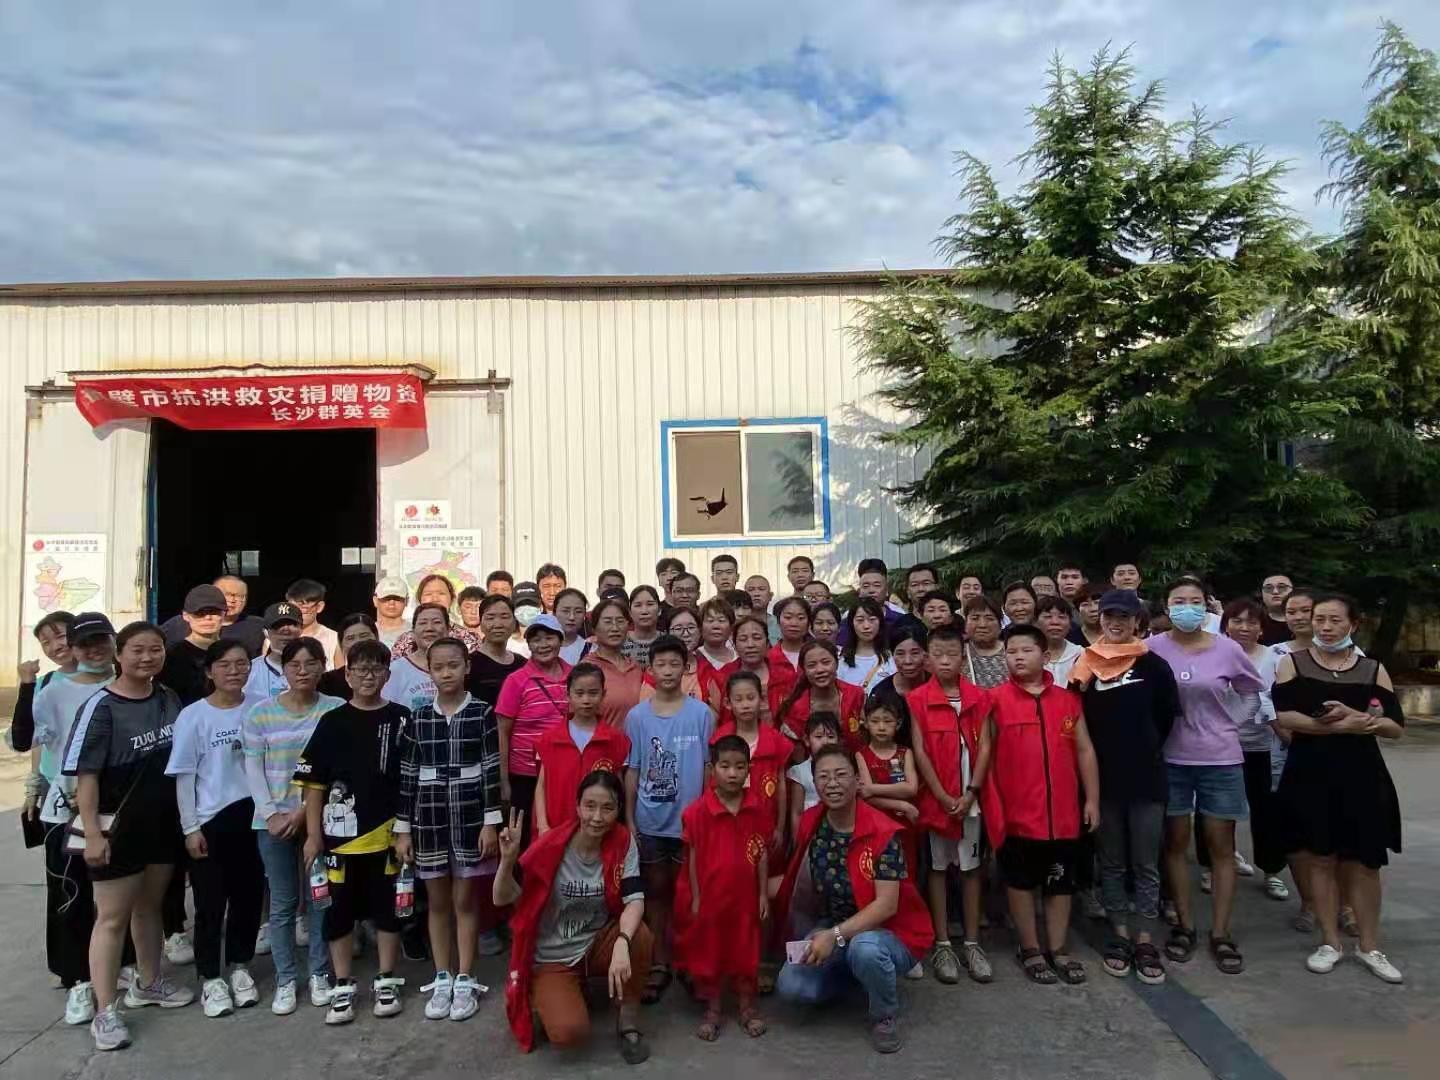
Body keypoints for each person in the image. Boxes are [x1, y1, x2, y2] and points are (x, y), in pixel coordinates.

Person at [63, 621, 192, 1051]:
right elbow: (86, 777)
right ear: (119, 654)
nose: (147, 657)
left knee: (149, 908)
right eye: (137, 650)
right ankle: (105, 1011)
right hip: (116, 828)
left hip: (162, 825)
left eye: (155, 649)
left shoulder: (167, 697)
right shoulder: (100, 707)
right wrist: (93, 834)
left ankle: (149, 982)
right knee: (112, 917)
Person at [1272, 594, 1405, 983]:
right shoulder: (1292, 663)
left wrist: (1361, 719)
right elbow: (1285, 716)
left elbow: (1394, 726)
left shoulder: (1372, 668)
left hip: (1362, 774)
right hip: (1310, 773)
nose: (1325, 627)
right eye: (1319, 619)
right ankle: (1330, 941)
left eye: (1334, 620)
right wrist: (1341, 725)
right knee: (1320, 857)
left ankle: (1370, 945)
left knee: (1365, 862)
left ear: (1353, 624)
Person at [773, 744, 935, 1055]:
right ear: (814, 783)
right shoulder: (812, 822)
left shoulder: (882, 831)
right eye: (823, 777)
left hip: (889, 932)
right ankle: (858, 977)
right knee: (792, 987)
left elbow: (886, 905)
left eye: (840, 775)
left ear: (857, 780)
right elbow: (799, 883)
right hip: (835, 924)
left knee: (866, 949)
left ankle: (884, 1015)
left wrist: (833, 936)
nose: (832, 784)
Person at [1147, 577, 1264, 976]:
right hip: (1170, 758)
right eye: (1179, 600)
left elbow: (1251, 692)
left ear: (1207, 607)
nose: (1187, 607)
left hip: (1220, 759)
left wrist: (1231, 724)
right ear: (1167, 606)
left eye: (1195, 601)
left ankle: (1221, 932)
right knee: (1175, 844)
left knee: (1220, 847)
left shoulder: (1228, 649)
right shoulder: (1151, 648)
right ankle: (1184, 925)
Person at [495, 774, 651, 1063]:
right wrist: (506, 861)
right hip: (553, 956)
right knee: (570, 1033)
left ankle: (627, 1020)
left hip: (596, 941)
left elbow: (634, 899)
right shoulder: (551, 847)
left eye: (607, 808)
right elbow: (502, 898)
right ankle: (546, 994)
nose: (597, 817)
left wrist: (622, 941)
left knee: (639, 935)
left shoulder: (622, 841)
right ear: (577, 807)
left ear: (618, 810)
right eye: (590, 806)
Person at [295, 638, 409, 1023]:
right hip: (338, 841)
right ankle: (343, 983)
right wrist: (313, 836)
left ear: (387, 675)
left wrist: (406, 831)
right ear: (347, 675)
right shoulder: (332, 722)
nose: (368, 676)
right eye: (360, 669)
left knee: (389, 910)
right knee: (338, 913)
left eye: (376, 669)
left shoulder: (402, 718)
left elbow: (410, 781)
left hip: (390, 835)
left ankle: (387, 978)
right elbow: (314, 785)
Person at [1071, 589, 1178, 985]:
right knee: (1111, 862)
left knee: (1146, 862)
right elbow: (1076, 721)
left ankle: (1145, 937)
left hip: (1146, 777)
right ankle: (1118, 933)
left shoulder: (1154, 665)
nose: (1115, 623)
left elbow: (1166, 718)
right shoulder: (1085, 664)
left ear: (1137, 621)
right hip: (1102, 780)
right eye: (1109, 615)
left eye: (1124, 617)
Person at [984, 624, 1100, 986]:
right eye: (1011, 652)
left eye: (1026, 650)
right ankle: (1030, 947)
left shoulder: (1067, 700)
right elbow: (985, 757)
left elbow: (1084, 750)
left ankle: (1059, 948)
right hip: (1017, 815)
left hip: (1063, 814)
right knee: (1019, 883)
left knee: (1060, 882)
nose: (1018, 657)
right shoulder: (994, 701)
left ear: (1045, 656)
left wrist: (1092, 799)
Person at [395, 637, 502, 1022]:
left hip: (470, 818)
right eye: (438, 667)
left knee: (465, 901)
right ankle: (442, 976)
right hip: (429, 819)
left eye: (453, 665)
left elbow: (491, 769)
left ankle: (466, 977)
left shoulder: (482, 713)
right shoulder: (419, 717)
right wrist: (403, 830)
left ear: (466, 667)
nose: (446, 673)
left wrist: (491, 823)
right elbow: (407, 775)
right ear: (429, 671)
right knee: (438, 902)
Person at [242, 637, 342, 1014]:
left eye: (311, 663)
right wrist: (271, 814)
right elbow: (253, 767)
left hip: (319, 819)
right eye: (294, 665)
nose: (303, 671)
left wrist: (303, 812)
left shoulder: (335, 709)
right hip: (271, 823)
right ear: (283, 670)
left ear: (322, 667)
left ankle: (319, 973)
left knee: (319, 898)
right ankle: (286, 979)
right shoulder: (260, 713)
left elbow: (333, 768)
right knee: (283, 903)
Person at [166, 640, 264, 1018]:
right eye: (224, 665)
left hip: (255, 816)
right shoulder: (193, 716)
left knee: (248, 897)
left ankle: (240, 967)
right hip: (210, 820)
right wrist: (190, 828)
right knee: (210, 903)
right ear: (209, 671)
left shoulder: (260, 707)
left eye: (241, 664)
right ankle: (210, 978)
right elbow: (184, 776)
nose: (234, 671)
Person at [30, 612, 112, 1025]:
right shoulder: (51, 690)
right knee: (71, 893)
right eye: (85, 644)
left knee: (116, 897)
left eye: (102, 641)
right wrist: (35, 785)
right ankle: (77, 978)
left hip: (118, 808)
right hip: (66, 808)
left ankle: (120, 968)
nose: (94, 650)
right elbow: (33, 741)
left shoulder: (129, 682)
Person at [623, 634, 715, 1003]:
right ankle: (659, 962)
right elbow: (632, 770)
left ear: (685, 667)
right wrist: (630, 819)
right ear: (650, 668)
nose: (667, 671)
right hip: (650, 822)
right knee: (656, 894)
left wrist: (706, 815)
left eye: (674, 664)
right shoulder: (637, 717)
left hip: (690, 824)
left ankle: (690, 962)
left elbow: (708, 768)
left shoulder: (701, 714)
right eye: (660, 664)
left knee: (689, 895)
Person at [907, 625, 993, 985]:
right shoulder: (917, 699)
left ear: (963, 657)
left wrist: (971, 792)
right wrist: (942, 796)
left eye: (952, 654)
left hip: (970, 800)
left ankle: (972, 943)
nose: (945, 661)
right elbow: (919, 750)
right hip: (936, 800)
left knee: (971, 869)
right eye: (938, 655)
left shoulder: (980, 697)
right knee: (938, 870)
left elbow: (985, 746)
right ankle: (942, 943)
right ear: (927, 659)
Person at [674, 736, 770, 1041]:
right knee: (710, 951)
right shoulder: (697, 812)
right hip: (711, 897)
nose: (732, 773)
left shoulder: (757, 808)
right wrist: (696, 896)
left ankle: (747, 1007)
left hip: (745, 897)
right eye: (725, 766)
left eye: (739, 767)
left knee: (746, 950)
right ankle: (713, 1009)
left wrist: (763, 893)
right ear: (712, 769)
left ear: (749, 769)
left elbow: (761, 851)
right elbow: (691, 857)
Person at [1221, 599, 1290, 902]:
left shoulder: (1276, 658)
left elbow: (1284, 699)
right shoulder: (1214, 653)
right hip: (1221, 747)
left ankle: (1272, 871)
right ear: (1225, 626)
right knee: (1219, 812)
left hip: (1264, 747)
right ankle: (1216, 864)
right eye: (1237, 621)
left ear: (1262, 628)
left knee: (1266, 812)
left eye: (1252, 622)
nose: (1244, 627)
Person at [496, 614, 572, 838]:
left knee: (560, 834)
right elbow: (502, 732)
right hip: (524, 775)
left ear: (560, 640)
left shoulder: (575, 675)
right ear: (528, 644)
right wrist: (504, 781)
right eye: (536, 640)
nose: (543, 645)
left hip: (563, 772)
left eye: (549, 638)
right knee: (524, 838)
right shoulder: (516, 680)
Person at [534, 663, 631, 836]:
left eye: (593, 693)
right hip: (556, 826)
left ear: (603, 694)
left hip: (598, 828)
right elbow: (541, 785)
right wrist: (542, 824)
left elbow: (619, 786)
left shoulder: (615, 739)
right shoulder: (549, 739)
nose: (586, 700)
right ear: (568, 695)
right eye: (579, 693)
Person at [712, 671, 790, 853]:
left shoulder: (776, 741)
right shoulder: (719, 739)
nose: (745, 705)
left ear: (761, 700)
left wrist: (780, 827)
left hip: (766, 821)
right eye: (738, 700)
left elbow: (781, 786)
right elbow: (712, 784)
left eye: (751, 698)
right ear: (728, 703)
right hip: (729, 821)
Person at [854, 695, 920, 892]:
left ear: (898, 723)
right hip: (875, 824)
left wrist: (873, 788)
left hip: (905, 825)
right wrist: (902, 804)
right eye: (875, 721)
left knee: (908, 872)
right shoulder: (861, 755)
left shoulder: (905, 753)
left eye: (887, 721)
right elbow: (866, 798)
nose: (881, 727)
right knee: (878, 872)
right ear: (865, 723)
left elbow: (911, 788)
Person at [774, 640, 866, 753]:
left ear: (837, 664)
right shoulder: (796, 709)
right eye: (811, 665)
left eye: (826, 662)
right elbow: (796, 756)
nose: (820, 670)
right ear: (804, 670)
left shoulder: (856, 695)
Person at [11, 610, 78, 756]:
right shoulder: (43, 684)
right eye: (46, 643)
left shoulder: (110, 676)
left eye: (61, 636)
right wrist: (27, 685)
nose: (55, 647)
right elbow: (28, 740)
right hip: (53, 769)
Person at [161, 576, 267, 658]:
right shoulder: (177, 625)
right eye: (226, 594)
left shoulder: (258, 626)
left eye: (239, 596)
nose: (232, 600)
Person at [161, 584, 228, 706]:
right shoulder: (173, 656)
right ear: (185, 616)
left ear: (224, 614)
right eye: (199, 613)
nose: (208, 617)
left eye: (215, 612)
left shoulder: (233, 651)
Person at [391, 576, 482, 658]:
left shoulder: (470, 639)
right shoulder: (406, 641)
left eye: (441, 593)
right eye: (428, 594)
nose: (435, 599)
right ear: (419, 599)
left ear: (452, 599)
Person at [382, 604, 447, 713]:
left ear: (448, 629)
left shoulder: (459, 667)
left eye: (437, 622)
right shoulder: (396, 670)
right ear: (412, 632)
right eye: (423, 623)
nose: (429, 628)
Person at [787, 712, 841, 837]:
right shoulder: (800, 771)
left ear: (838, 740)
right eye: (818, 736)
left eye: (831, 736)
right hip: (810, 831)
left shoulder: (844, 769)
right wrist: (798, 841)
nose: (825, 741)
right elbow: (797, 812)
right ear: (807, 740)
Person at [466, 594, 525, 709]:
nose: (498, 624)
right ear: (481, 624)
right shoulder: (469, 664)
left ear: (514, 623)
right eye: (490, 618)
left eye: (504, 617)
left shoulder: (523, 664)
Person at [244, 603, 303, 700]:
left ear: (301, 629)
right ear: (266, 632)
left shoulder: (314, 669)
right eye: (278, 625)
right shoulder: (248, 672)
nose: (286, 630)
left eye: (292, 624)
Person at [837, 597, 896, 693]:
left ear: (880, 622)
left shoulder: (893, 658)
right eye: (860, 620)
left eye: (872, 620)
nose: (866, 626)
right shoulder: (840, 660)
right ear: (851, 623)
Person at [318, 614, 379, 700]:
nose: (358, 642)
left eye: (364, 636)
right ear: (341, 644)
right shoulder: (326, 682)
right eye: (350, 638)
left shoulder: (394, 675)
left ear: (376, 638)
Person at [286, 579, 341, 670]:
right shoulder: (276, 638)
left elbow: (341, 674)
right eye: (293, 607)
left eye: (303, 608)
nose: (297, 612)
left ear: (319, 607)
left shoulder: (333, 639)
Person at [870, 622, 930, 705]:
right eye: (900, 654)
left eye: (915, 653)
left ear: (926, 654)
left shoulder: (940, 686)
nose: (908, 661)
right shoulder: (880, 694)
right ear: (892, 655)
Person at [656, 606, 705, 700]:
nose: (686, 634)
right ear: (667, 633)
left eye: (691, 627)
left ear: (700, 631)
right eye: (678, 629)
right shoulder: (657, 668)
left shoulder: (707, 667)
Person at [766, 597, 811, 695]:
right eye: (788, 617)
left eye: (801, 618)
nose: (794, 623)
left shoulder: (816, 656)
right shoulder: (767, 659)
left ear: (809, 623)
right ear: (778, 621)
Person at [961, 596, 1008, 688]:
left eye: (989, 618)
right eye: (975, 618)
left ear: (1000, 624)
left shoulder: (1011, 651)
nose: (982, 625)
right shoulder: (959, 652)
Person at [1036, 595, 1083, 685]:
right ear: (1036, 622)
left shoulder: (1081, 654)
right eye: (1048, 617)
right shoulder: (1028, 655)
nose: (1055, 622)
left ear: (1070, 623)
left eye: (1061, 617)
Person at [623, 585, 663, 667]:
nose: (644, 611)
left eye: (650, 604)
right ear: (630, 612)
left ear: (659, 610)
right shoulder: (619, 642)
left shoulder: (669, 641)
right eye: (638, 605)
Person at [696, 597, 739, 671]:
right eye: (710, 620)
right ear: (700, 626)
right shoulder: (695, 658)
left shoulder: (740, 658)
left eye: (721, 620)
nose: (716, 626)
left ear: (731, 627)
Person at [554, 587, 592, 665]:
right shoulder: (540, 646)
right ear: (554, 613)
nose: (572, 617)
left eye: (578, 611)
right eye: (565, 611)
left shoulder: (591, 649)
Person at [372, 577, 410, 648]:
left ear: (407, 600)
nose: (392, 602)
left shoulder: (415, 631)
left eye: (397, 598)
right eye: (386, 598)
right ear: (375, 600)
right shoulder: (368, 632)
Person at [1259, 574, 1294, 646]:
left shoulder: (1309, 620)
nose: (1275, 592)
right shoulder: (1255, 622)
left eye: (1281, 587)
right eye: (1268, 588)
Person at [510, 581, 542, 656]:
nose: (526, 608)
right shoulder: (506, 644)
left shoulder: (549, 641)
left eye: (531, 604)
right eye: (521, 605)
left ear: (541, 607)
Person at [744, 575, 778, 640]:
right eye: (751, 590)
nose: (756, 594)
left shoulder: (780, 623)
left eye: (761, 589)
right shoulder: (738, 623)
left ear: (770, 596)